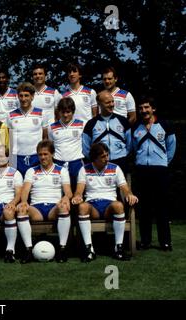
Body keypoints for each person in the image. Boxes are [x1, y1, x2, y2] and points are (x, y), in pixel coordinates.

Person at [72, 143, 138, 262]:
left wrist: (129, 194)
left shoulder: (115, 168)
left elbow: (124, 187)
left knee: (119, 205)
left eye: (107, 155)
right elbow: (79, 190)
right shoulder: (84, 169)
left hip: (109, 205)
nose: (106, 158)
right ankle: (89, 250)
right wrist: (77, 196)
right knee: (82, 207)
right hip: (93, 206)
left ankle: (118, 248)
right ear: (95, 158)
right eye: (103, 156)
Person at [132, 96, 176, 251]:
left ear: (153, 109)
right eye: (141, 108)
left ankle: (165, 242)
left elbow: (171, 147)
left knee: (161, 207)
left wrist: (163, 162)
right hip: (142, 170)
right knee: (144, 207)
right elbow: (134, 147)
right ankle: (145, 241)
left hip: (160, 170)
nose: (143, 111)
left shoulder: (164, 125)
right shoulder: (136, 127)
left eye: (146, 107)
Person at [17, 140, 73, 263]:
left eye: (45, 154)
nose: (42, 157)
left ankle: (62, 249)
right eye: (40, 154)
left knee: (64, 206)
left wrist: (65, 198)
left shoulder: (61, 170)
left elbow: (68, 192)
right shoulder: (31, 171)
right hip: (36, 208)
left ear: (52, 154)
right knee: (21, 209)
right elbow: (25, 190)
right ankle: (28, 250)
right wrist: (24, 201)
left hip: (54, 207)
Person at [82, 90, 131, 174]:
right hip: (99, 163)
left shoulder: (123, 121)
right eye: (108, 102)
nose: (112, 105)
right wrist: (95, 159)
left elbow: (130, 144)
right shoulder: (91, 123)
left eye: (112, 101)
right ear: (99, 104)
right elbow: (85, 147)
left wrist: (124, 156)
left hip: (121, 162)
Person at [6, 82, 47, 177]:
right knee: (17, 188)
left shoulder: (41, 113)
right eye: (21, 96)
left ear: (32, 96)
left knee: (35, 188)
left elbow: (45, 138)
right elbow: (8, 139)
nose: (23, 99)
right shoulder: (10, 115)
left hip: (36, 157)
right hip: (16, 158)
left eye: (26, 96)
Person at [48, 97, 85, 190]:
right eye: (62, 112)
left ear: (73, 111)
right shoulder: (52, 127)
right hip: (58, 163)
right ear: (58, 112)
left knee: (78, 191)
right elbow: (51, 147)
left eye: (68, 112)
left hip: (76, 163)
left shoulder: (81, 125)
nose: (65, 115)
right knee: (59, 191)